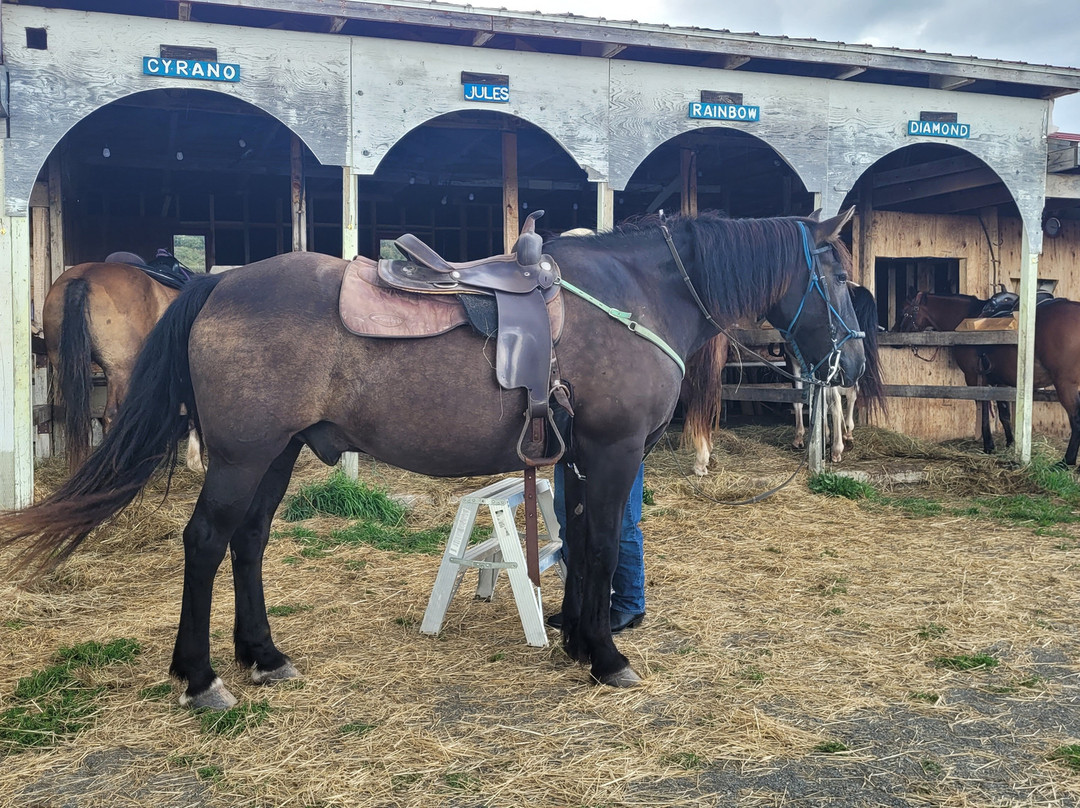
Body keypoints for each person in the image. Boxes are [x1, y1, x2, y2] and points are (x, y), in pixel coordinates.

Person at [546, 461, 646, 634]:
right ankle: (585, 603)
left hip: (618, 445)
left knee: (622, 524)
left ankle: (629, 603)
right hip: (569, 448)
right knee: (570, 521)